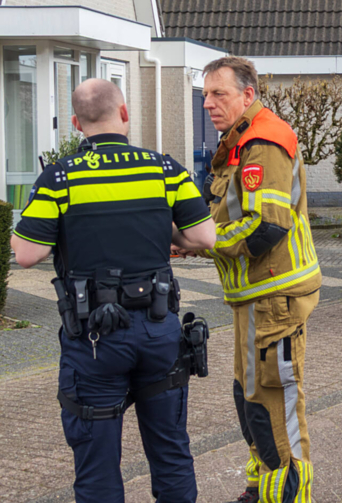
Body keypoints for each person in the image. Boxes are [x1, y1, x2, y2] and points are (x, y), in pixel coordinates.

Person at [10, 79, 215, 503]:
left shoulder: (59, 177)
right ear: (124, 114)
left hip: (95, 340)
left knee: (97, 466)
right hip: (160, 333)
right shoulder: (164, 169)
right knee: (172, 454)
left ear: (75, 122)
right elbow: (205, 237)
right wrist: (164, 233)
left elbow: (27, 255)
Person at [191, 56, 321, 503]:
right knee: (249, 399)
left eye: (218, 93)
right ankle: (259, 488)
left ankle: (286, 496)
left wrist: (202, 242)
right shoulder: (240, 140)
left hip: (275, 297)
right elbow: (229, 213)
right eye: (205, 93)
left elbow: (266, 227)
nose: (208, 102)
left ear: (247, 95)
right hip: (256, 298)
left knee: (272, 403)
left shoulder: (262, 141)